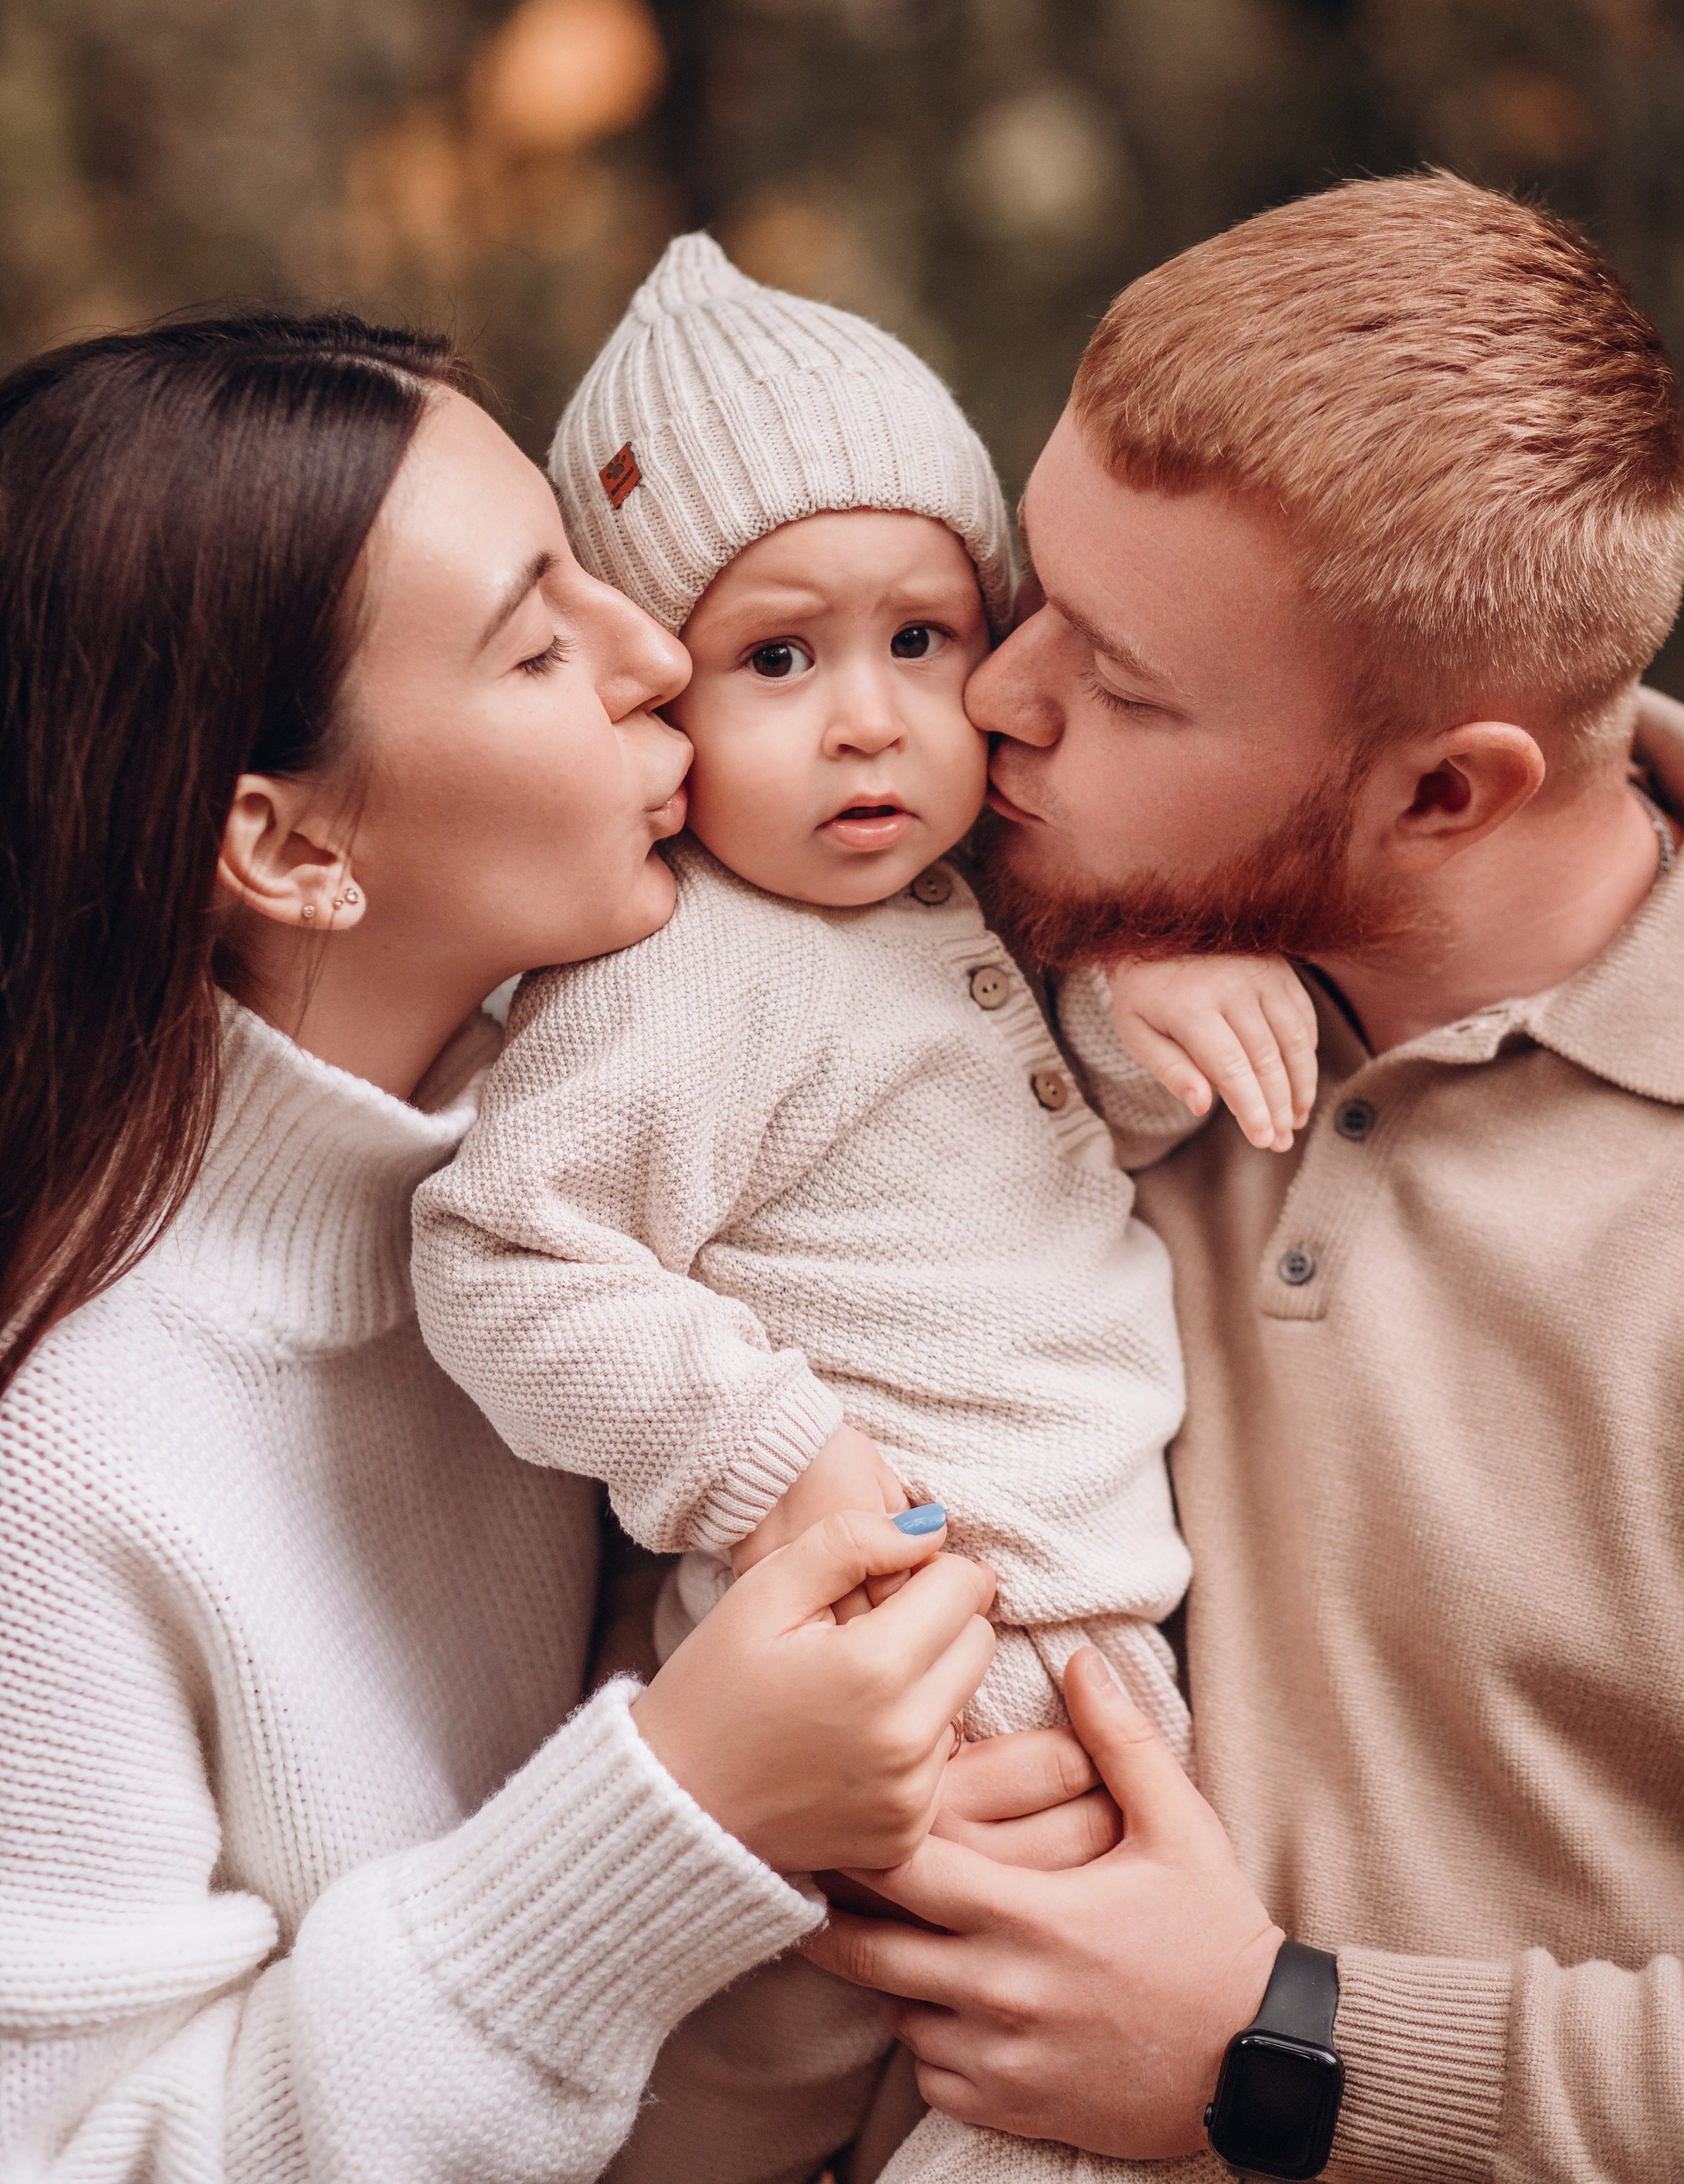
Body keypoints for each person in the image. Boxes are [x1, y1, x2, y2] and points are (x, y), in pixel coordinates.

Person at [0, 312, 1013, 2184]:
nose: (659, 661)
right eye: (544, 640)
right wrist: (680, 1815)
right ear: (289, 850)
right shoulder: (62, 1454)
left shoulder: (622, 1140)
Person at [801, 171, 1684, 2184]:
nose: (990, 702)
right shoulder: (955, 940)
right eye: (1029, 597)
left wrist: (1285, 2051)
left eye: (1120, 685)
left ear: (1446, 792)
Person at [410, 234, 1318, 2184]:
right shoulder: (684, 973)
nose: (866, 720)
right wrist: (776, 1457)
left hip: (1055, 1642)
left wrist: (1136, 1036)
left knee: (946, 2095)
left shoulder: (948, 922)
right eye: (777, 658)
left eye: (919, 641)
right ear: (655, 702)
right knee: (874, 2101)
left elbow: (1000, 1174)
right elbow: (497, 1249)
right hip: (898, 1642)